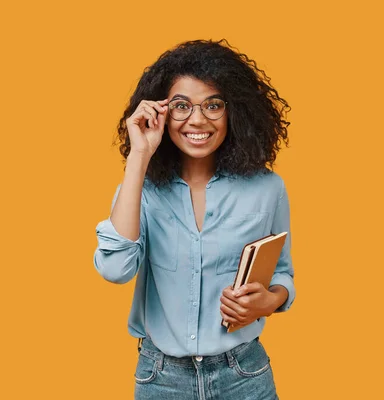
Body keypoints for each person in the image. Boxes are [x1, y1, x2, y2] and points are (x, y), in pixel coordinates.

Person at [94, 39, 295, 400]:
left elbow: (282, 273)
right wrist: (139, 154)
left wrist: (270, 300)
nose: (197, 120)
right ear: (161, 112)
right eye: (181, 106)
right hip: (161, 378)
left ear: (235, 111)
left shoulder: (268, 188)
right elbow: (115, 269)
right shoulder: (140, 189)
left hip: (243, 373)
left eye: (213, 105)